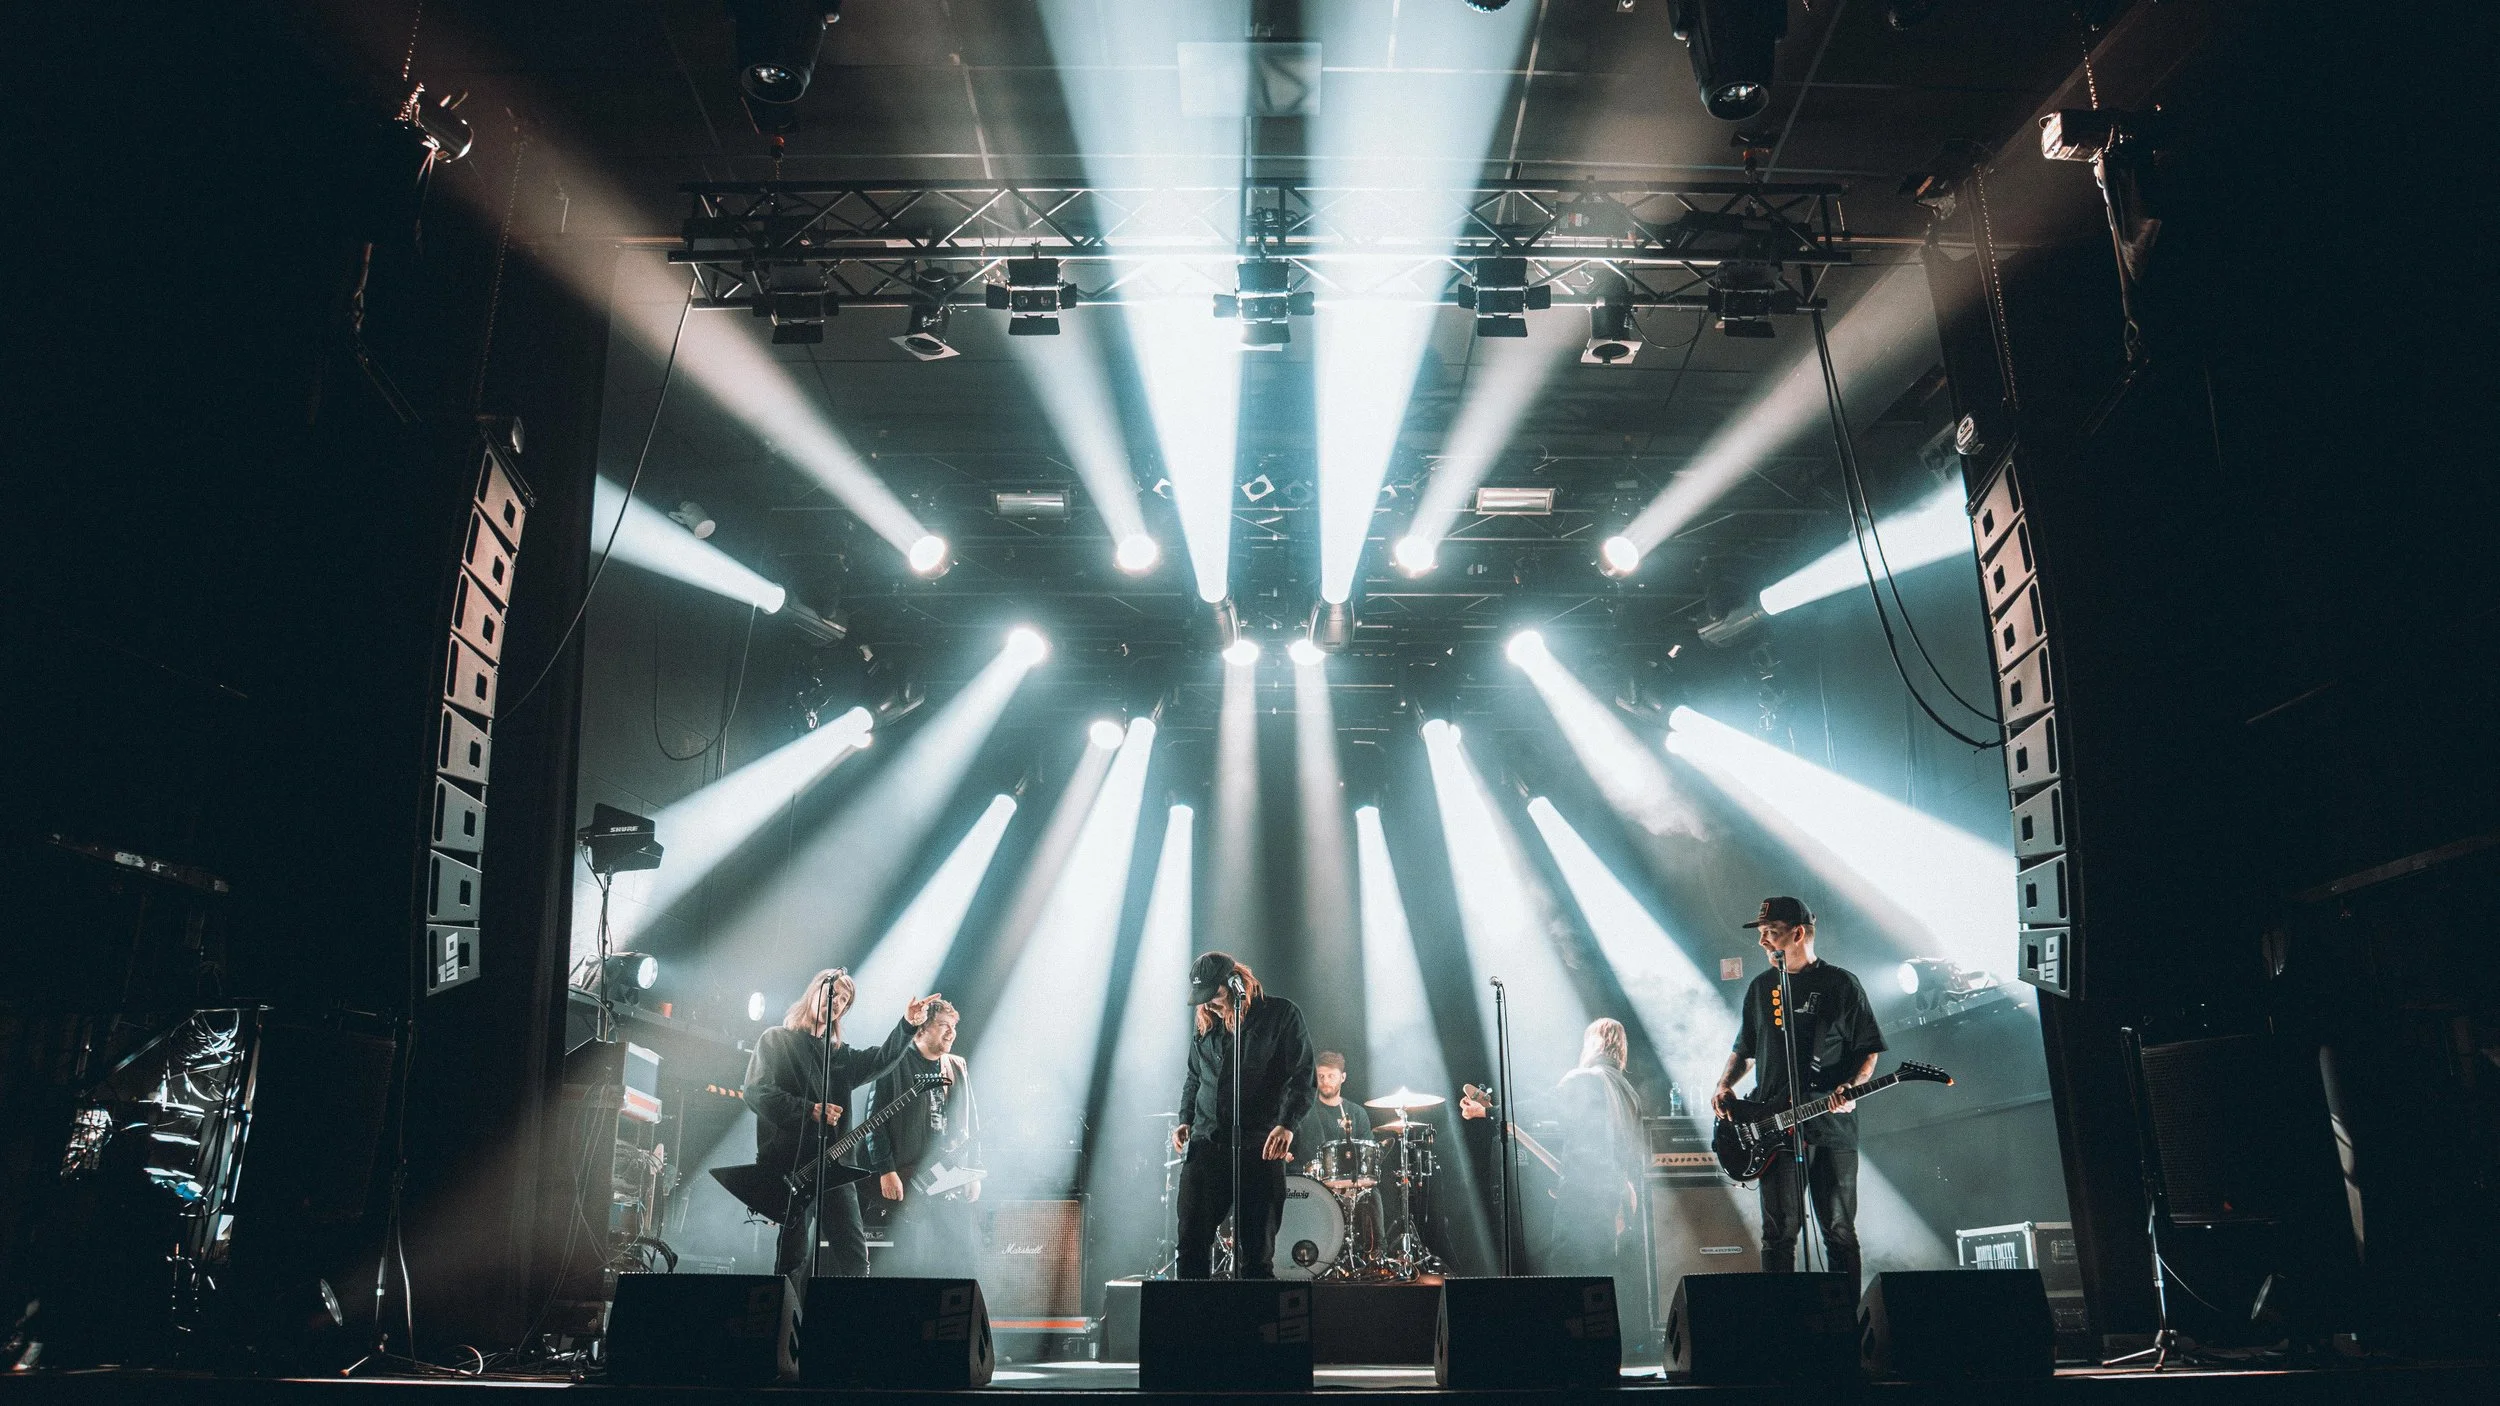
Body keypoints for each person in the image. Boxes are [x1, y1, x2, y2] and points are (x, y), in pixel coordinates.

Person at [1711, 897, 1887, 1288]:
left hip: (1831, 1126)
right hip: (1773, 1128)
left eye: (1769, 932)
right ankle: (1783, 1327)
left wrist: (1853, 1088)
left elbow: (1868, 1050)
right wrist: (1725, 1084)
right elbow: (1744, 1050)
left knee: (1839, 1231)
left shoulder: (1840, 984)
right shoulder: (1761, 988)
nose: (1762, 942)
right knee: (1778, 1236)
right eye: (1760, 934)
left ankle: (1842, 1325)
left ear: (1799, 932)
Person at [743, 970, 944, 1287]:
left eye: (845, 1001)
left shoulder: (841, 1057)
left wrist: (907, 1025)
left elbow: (881, 1059)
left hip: (836, 1171)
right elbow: (756, 1093)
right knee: (792, 1259)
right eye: (834, 994)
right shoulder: (775, 1041)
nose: (838, 1003)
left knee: (855, 1258)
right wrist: (809, 1110)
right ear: (815, 992)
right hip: (793, 1170)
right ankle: (785, 1328)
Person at [1172, 952, 1315, 1279]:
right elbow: (1195, 1076)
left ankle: (1254, 1327)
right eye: (1202, 999)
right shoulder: (1205, 1022)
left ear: (1236, 983)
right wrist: (1185, 1119)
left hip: (1257, 1147)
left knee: (1255, 1255)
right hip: (1206, 1146)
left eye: (1214, 995)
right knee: (1191, 1246)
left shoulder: (1279, 1015)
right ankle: (1192, 1328)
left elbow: (1303, 1074)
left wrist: (1286, 1124)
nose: (1208, 1004)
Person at [863, 998, 984, 1278]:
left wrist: (973, 1173)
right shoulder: (895, 1062)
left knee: (961, 1260)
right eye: (943, 1025)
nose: (951, 1032)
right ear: (922, 1029)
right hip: (907, 1179)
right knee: (910, 1262)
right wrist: (886, 1169)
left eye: (953, 1026)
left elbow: (971, 1122)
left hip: (949, 1179)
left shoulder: (957, 1066)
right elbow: (874, 1121)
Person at [1293, 1051, 1373, 1184]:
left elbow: (1368, 1153)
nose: (1325, 1081)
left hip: (1350, 1183)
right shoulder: (1303, 1111)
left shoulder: (1357, 1113)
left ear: (1343, 1077)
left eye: (1331, 1076)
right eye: (1321, 1076)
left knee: (1373, 1196)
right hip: (1312, 1184)